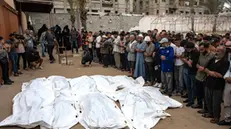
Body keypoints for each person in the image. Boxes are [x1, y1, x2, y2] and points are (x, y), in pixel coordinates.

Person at [203, 45, 229, 124]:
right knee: (208, 99)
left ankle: (216, 117)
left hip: (218, 85)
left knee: (216, 102)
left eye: (219, 51)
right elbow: (205, 68)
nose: (216, 52)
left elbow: (221, 75)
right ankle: (210, 113)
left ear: (223, 52)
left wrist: (210, 72)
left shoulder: (225, 62)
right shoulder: (212, 59)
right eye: (216, 51)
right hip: (208, 82)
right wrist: (210, 72)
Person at [192, 43, 215, 109]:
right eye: (200, 49)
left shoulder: (212, 55)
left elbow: (212, 67)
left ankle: (206, 108)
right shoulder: (201, 54)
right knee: (198, 92)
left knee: (205, 94)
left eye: (202, 49)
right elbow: (198, 63)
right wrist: (198, 66)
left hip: (206, 77)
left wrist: (204, 69)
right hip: (198, 76)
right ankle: (199, 104)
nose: (200, 51)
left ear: (207, 48)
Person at [182, 42, 200, 106]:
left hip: (193, 71)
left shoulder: (196, 53)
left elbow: (193, 63)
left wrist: (188, 61)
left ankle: (192, 100)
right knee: (188, 86)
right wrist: (187, 61)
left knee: (193, 86)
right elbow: (185, 59)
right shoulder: (189, 52)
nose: (187, 49)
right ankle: (189, 98)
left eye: (188, 48)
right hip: (189, 70)